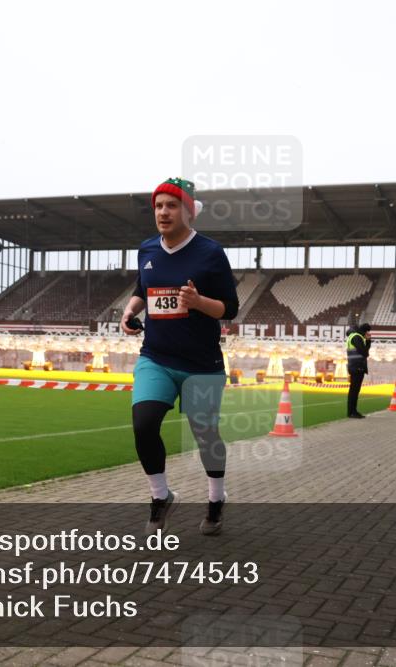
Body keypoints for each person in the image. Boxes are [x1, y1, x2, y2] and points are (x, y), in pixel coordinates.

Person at [120, 177, 239, 536]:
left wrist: (198, 302)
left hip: (202, 365)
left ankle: (216, 499)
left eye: (171, 206)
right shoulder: (147, 250)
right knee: (143, 424)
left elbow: (230, 309)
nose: (163, 212)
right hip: (155, 357)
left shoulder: (210, 253)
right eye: (158, 206)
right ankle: (160, 496)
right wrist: (128, 312)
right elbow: (142, 289)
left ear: (188, 212)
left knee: (205, 435)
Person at [345, 323, 371, 418]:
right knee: (354, 391)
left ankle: (351, 412)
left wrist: (367, 341)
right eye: (367, 332)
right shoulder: (357, 337)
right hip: (357, 367)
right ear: (365, 331)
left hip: (354, 366)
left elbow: (363, 351)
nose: (368, 334)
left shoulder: (352, 336)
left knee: (353, 390)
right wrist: (368, 341)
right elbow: (364, 352)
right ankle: (352, 412)